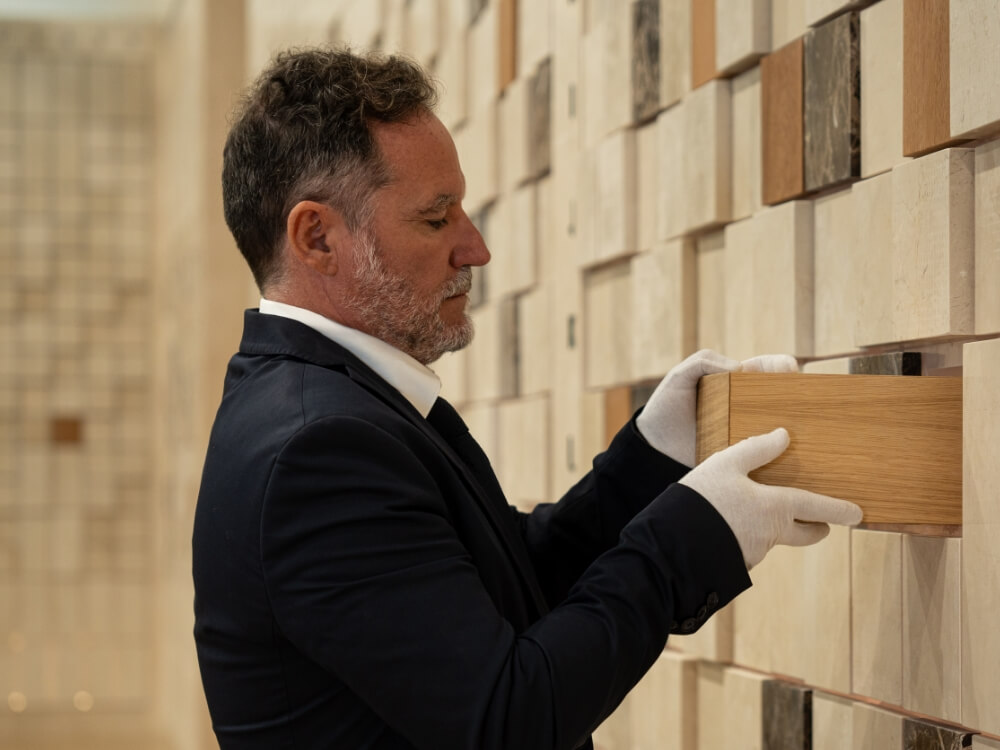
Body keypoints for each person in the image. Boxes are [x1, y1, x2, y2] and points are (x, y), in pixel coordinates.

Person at [192, 48, 861, 750]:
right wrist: (696, 537)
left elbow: (506, 584)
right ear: (317, 237)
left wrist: (654, 459)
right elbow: (508, 716)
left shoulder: (336, 409)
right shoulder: (315, 450)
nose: (474, 248)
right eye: (435, 217)